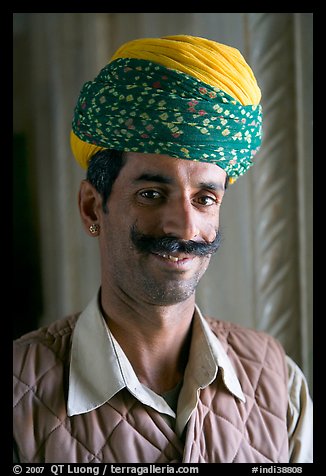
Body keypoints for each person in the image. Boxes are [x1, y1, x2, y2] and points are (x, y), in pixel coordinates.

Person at [13, 34, 313, 463]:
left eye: (204, 199)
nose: (185, 226)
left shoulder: (278, 381)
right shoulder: (19, 392)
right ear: (92, 207)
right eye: (152, 194)